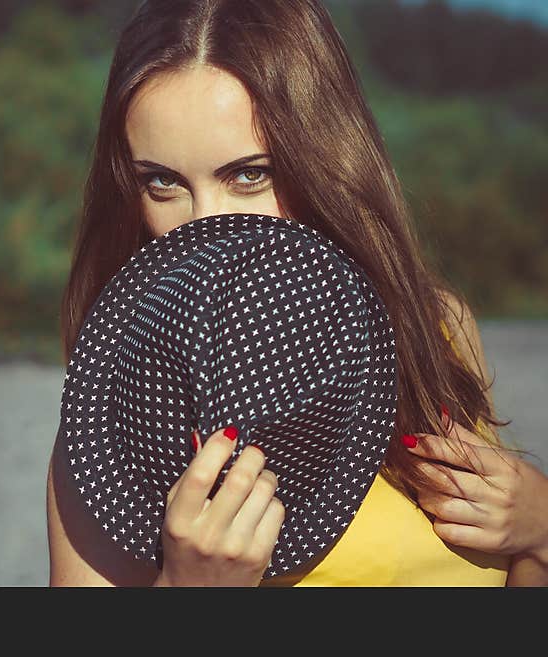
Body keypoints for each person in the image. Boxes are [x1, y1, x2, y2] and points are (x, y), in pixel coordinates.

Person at [46, 0, 548, 586]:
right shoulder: (120, 416)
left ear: (327, 161)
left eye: (248, 174)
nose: (207, 228)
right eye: (163, 182)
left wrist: (539, 533)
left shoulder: (440, 325)